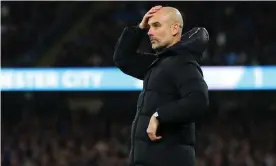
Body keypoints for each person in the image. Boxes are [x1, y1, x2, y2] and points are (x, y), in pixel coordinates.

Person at [113, 5, 209, 166]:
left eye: (156, 26)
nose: (150, 32)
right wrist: (139, 28)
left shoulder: (183, 62)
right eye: (149, 27)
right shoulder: (158, 64)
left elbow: (199, 100)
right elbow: (123, 59)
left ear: (174, 29)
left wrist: (160, 116)